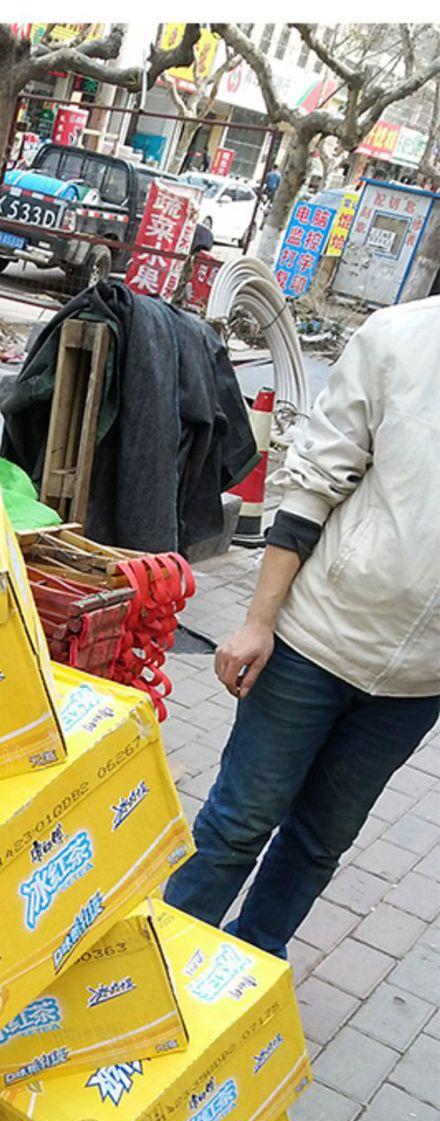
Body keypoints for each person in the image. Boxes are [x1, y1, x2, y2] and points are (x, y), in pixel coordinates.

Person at [165, 298, 440, 956]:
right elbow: (314, 481)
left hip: (416, 685)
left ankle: (248, 967)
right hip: (314, 642)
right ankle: (167, 963)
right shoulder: (401, 338)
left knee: (320, 843)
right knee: (239, 823)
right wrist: (258, 622)